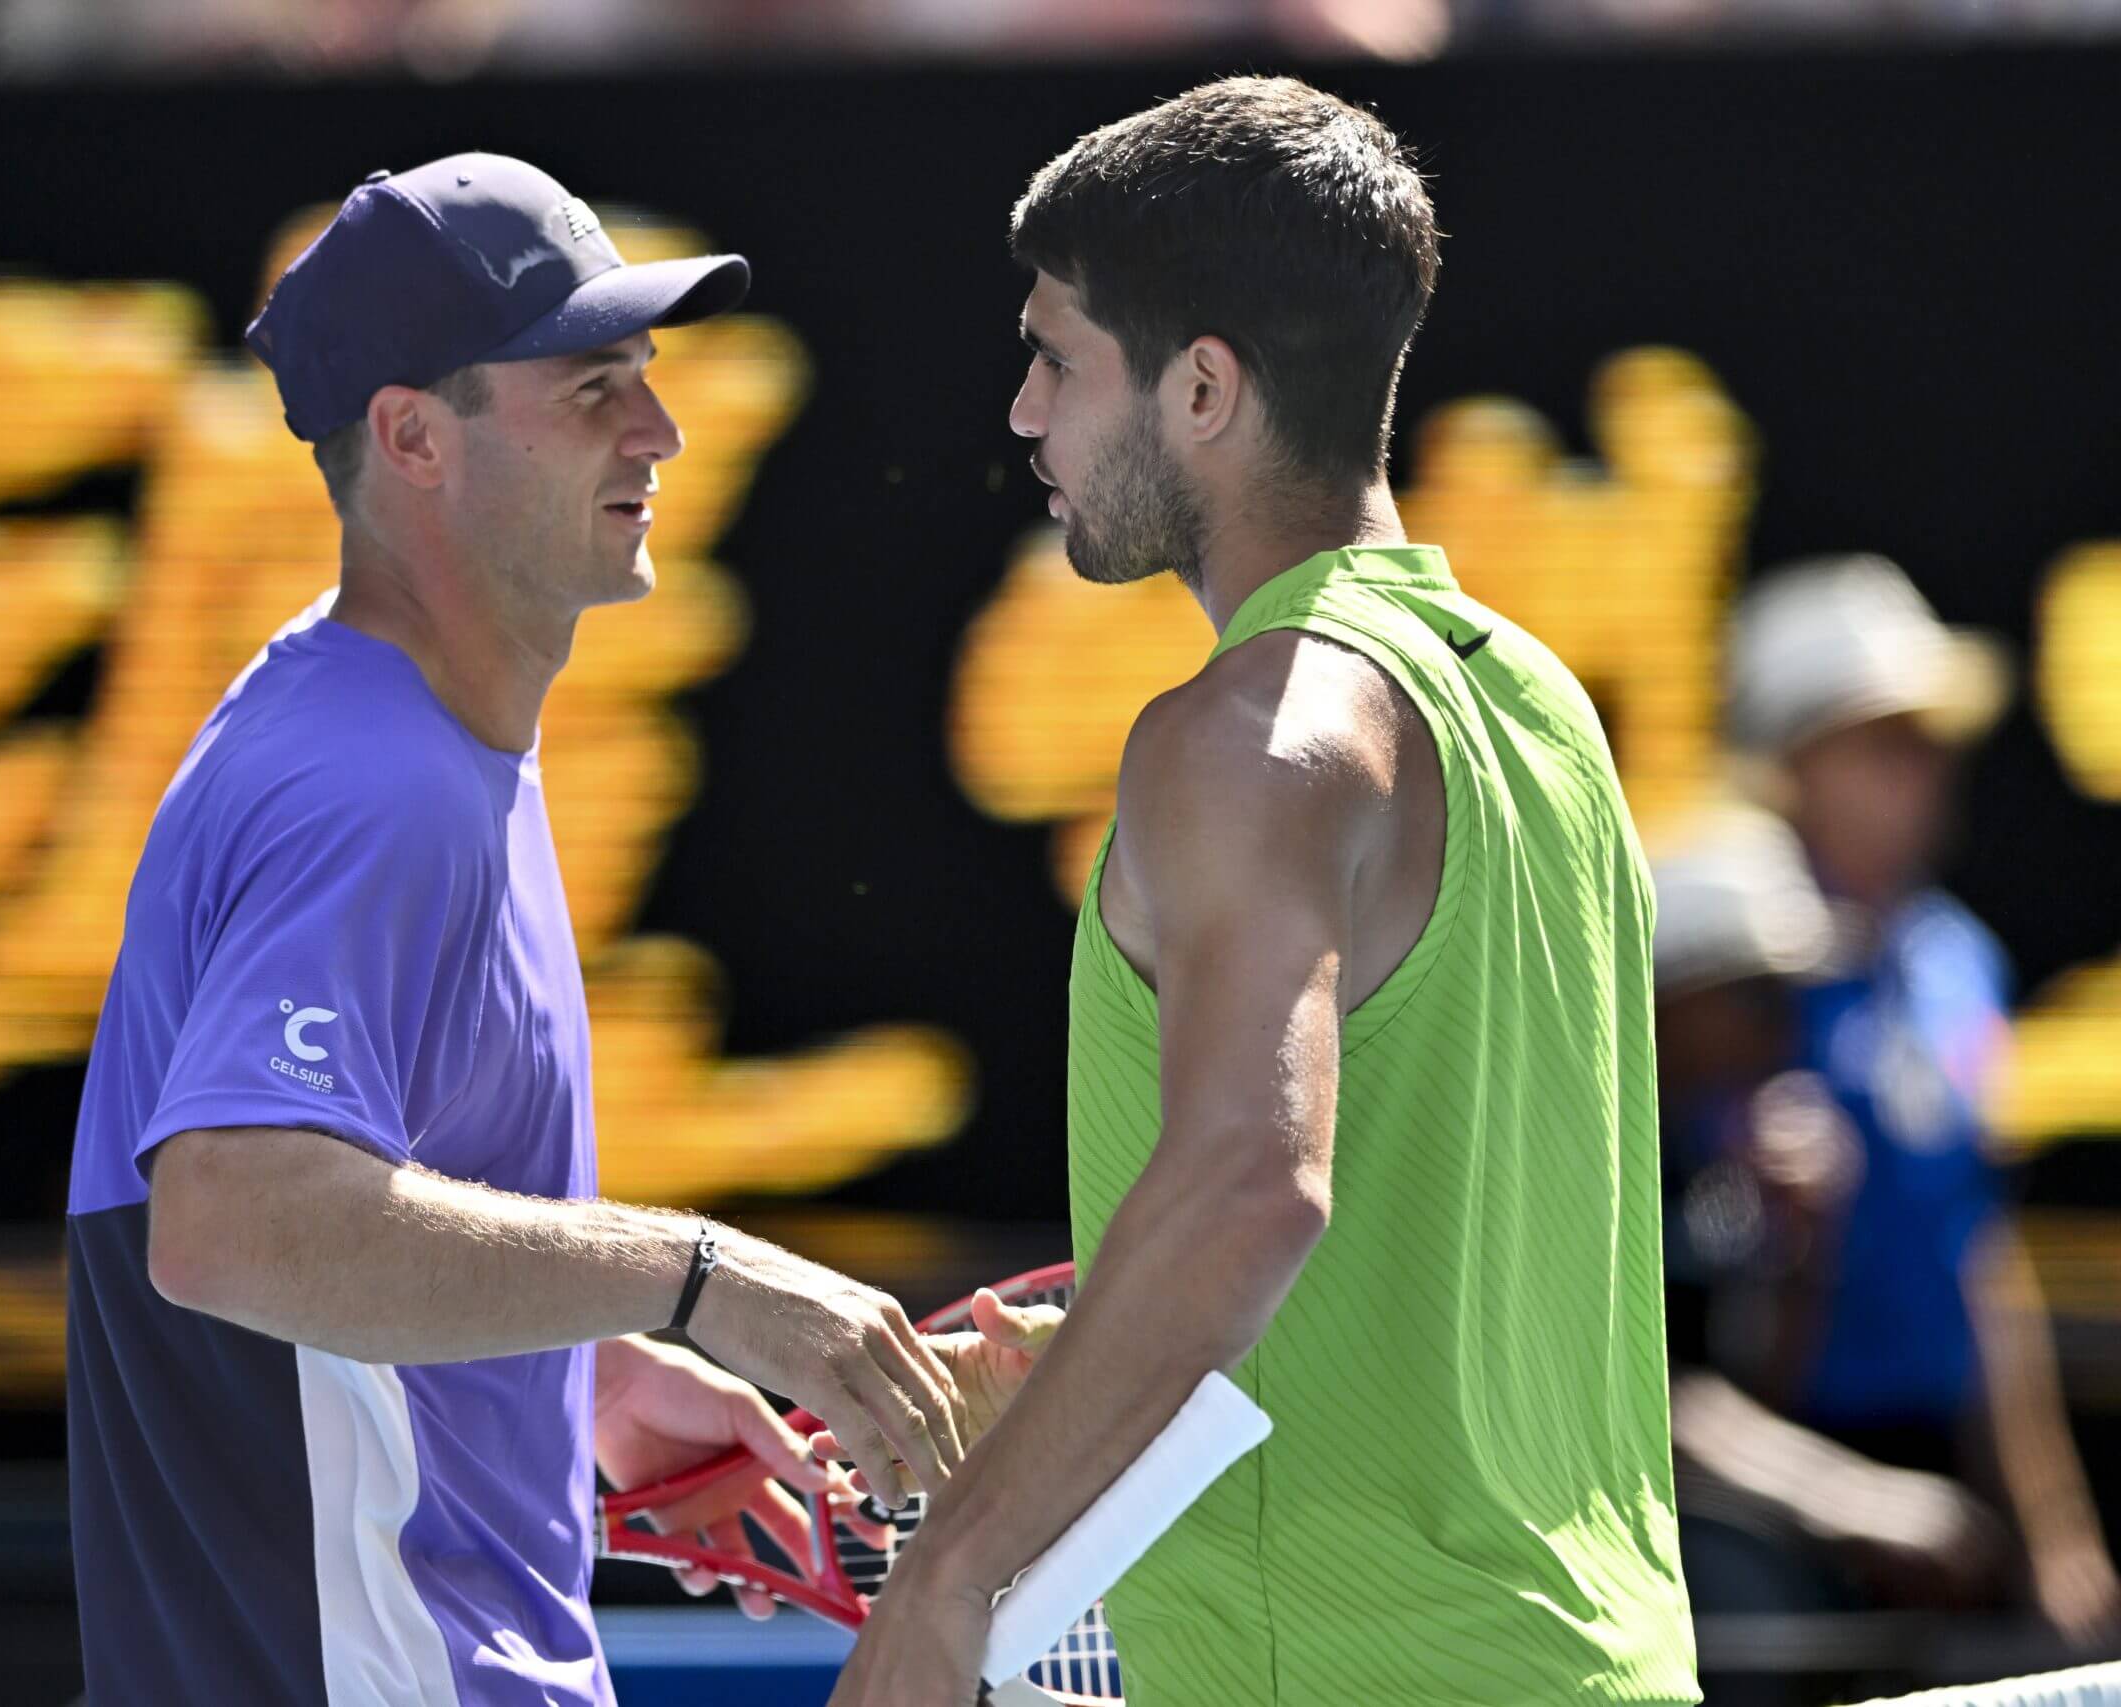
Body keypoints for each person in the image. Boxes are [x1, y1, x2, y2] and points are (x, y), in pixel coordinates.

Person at [63, 154, 972, 1707]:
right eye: (590, 387)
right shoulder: (376, 781)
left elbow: (325, 1254)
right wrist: (695, 1272)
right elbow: (227, 1221)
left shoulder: (381, 727)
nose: (661, 432)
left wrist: (575, 1376)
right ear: (413, 435)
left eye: (648, 379)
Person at [831, 75, 1698, 1706]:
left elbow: (1253, 1187)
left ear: (1205, 389)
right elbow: (1398, 1225)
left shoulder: (1250, 736)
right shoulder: (1538, 709)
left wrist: (951, 1581)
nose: (1025, 413)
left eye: (1059, 361)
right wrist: (1090, 1356)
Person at [1725, 554, 2121, 1653]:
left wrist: (2054, 1532)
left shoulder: (1958, 960)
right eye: (1883, 741)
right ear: (1788, 763)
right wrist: (1822, 1492)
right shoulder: (1706, 981)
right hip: (1748, 1504)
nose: (1927, 769)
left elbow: (1977, 1254)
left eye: (1932, 738)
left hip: (1937, 1500)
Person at [1648, 808, 2007, 1706]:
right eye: (1754, 993)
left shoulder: (1703, 1155)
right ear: (1668, 992)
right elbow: (1640, 1395)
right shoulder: (1587, 1142)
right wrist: (1856, 1497)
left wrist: (1806, 1247)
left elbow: (1750, 1390)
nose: (1782, 1028)